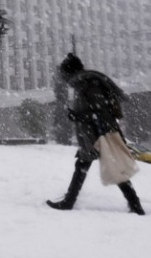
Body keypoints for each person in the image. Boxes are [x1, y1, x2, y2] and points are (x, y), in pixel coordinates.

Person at [46, 53, 145, 215]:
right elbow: (92, 110)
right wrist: (79, 115)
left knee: (109, 167)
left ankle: (135, 205)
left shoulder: (88, 83)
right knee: (86, 166)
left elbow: (100, 111)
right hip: (92, 134)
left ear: (70, 71)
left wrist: (78, 116)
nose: (62, 78)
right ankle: (134, 204)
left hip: (99, 134)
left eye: (63, 74)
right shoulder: (83, 83)